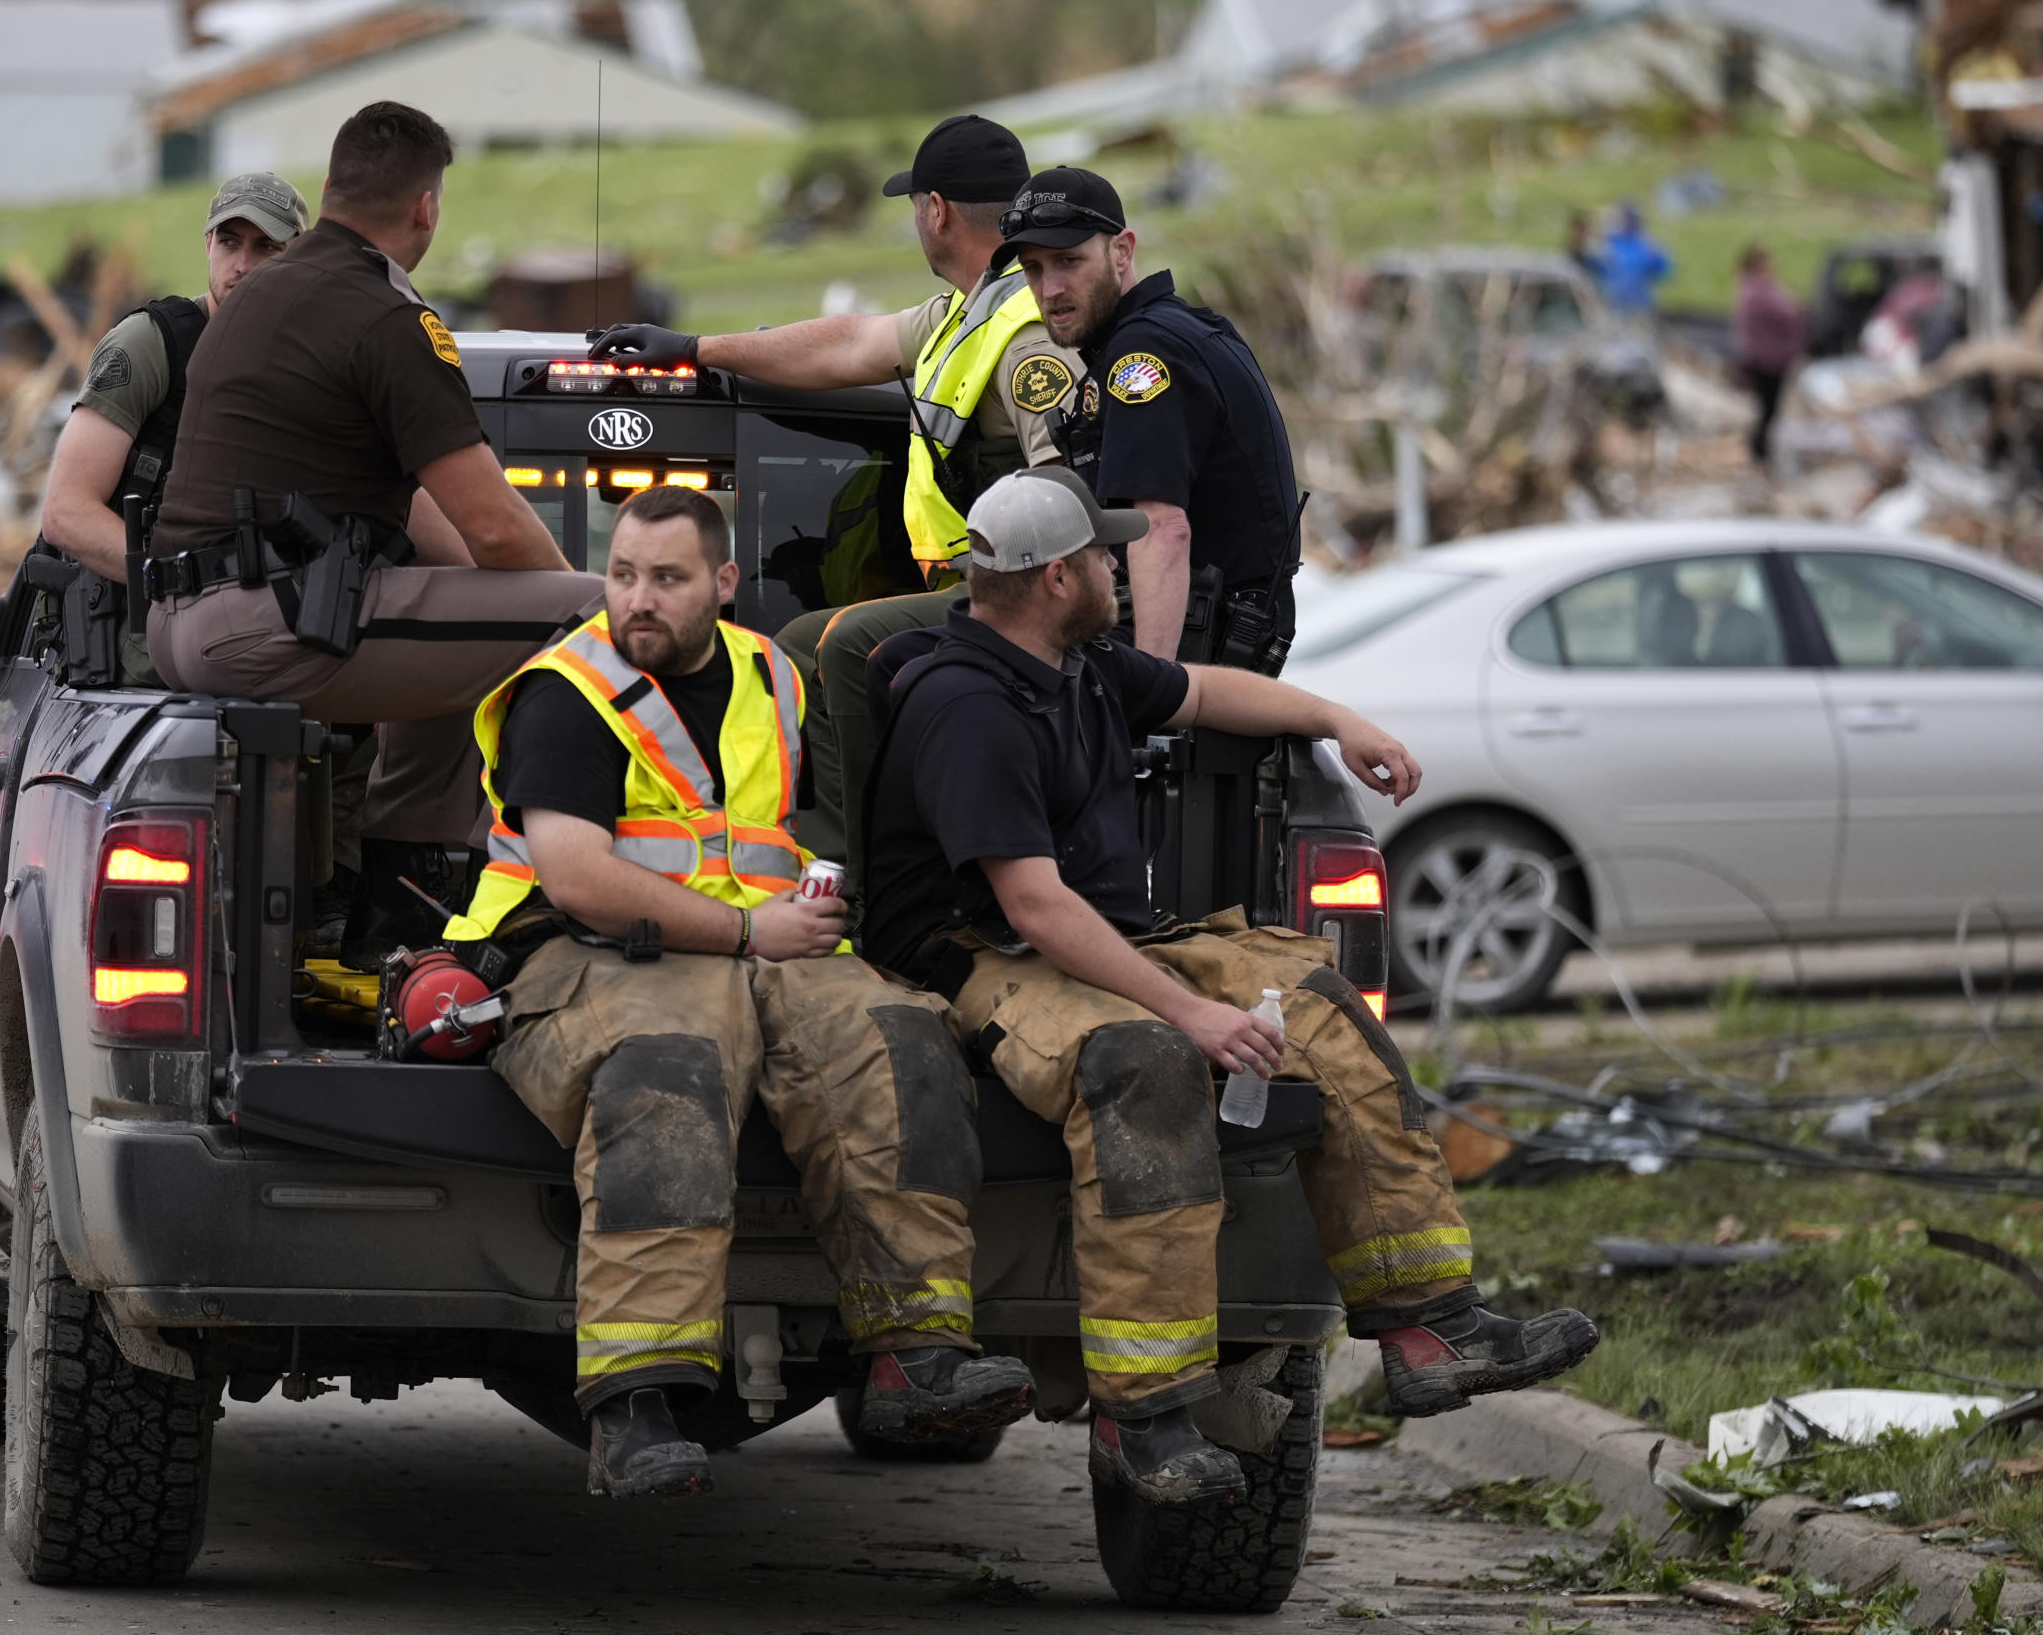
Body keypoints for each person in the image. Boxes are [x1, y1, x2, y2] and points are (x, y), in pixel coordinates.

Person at [859, 468, 1599, 1508]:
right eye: (1104, 557)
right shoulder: (966, 703)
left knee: (1327, 1009)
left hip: (1108, 933)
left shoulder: (1075, 662)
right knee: (1144, 1061)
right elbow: (1032, 906)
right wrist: (1192, 1010)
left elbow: (1205, 691)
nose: (1122, 568)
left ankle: (1433, 1329)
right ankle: (1144, 1417)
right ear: (1060, 578)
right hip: (986, 955)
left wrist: (1340, 718)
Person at [443, 486, 1032, 1496]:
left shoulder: (774, 674)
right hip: (588, 951)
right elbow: (576, 873)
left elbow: (799, 828)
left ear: (722, 584)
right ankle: (632, 1405)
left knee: (895, 1034)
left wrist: (807, 918)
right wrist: (750, 931)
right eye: (622, 576)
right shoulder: (564, 691)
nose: (637, 600)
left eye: (665, 580)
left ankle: (917, 1355)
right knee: (667, 1064)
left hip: (761, 950)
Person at [146, 102, 603, 946]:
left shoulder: (259, 294)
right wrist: (579, 598)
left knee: (457, 638)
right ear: (427, 207)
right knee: (586, 617)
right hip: (262, 625)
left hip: (183, 620)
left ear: (328, 190)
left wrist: (493, 593)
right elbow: (499, 532)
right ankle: (573, 887)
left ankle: (398, 915)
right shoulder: (389, 319)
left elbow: (447, 536)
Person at [583, 114, 1080, 866]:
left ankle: (848, 872)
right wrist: (693, 349)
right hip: (964, 589)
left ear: (936, 210)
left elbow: (1066, 498)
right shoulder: (965, 314)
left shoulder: (1024, 336)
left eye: (915, 205)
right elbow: (848, 343)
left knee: (817, 645)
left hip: (1011, 599)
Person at [1000, 166, 1299, 667]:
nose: (1049, 289)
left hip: (1200, 636)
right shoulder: (1173, 326)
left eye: (1068, 261)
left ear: (1122, 251)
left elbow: (1162, 529)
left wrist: (1155, 693)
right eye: (1032, 269)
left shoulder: (1141, 356)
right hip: (1210, 623)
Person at [34, 171, 315, 684]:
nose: (243, 265)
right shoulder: (151, 346)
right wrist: (184, 584)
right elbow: (67, 512)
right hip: (138, 656)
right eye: (229, 242)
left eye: (266, 247)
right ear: (208, 244)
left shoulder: (315, 366)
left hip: (274, 644)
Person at [1732, 246, 1807, 465]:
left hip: (1765, 359)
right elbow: (1791, 310)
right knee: (1769, 410)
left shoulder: (1752, 289)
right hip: (1768, 361)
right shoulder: (1759, 292)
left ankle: (1761, 453)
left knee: (1769, 409)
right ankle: (1760, 454)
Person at [1591, 203, 1672, 318]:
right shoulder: (1609, 242)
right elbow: (1595, 270)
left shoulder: (1647, 244)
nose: (1628, 222)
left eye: (1631, 218)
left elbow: (1663, 272)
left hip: (1640, 303)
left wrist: (1658, 257)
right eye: (1626, 217)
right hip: (1612, 302)